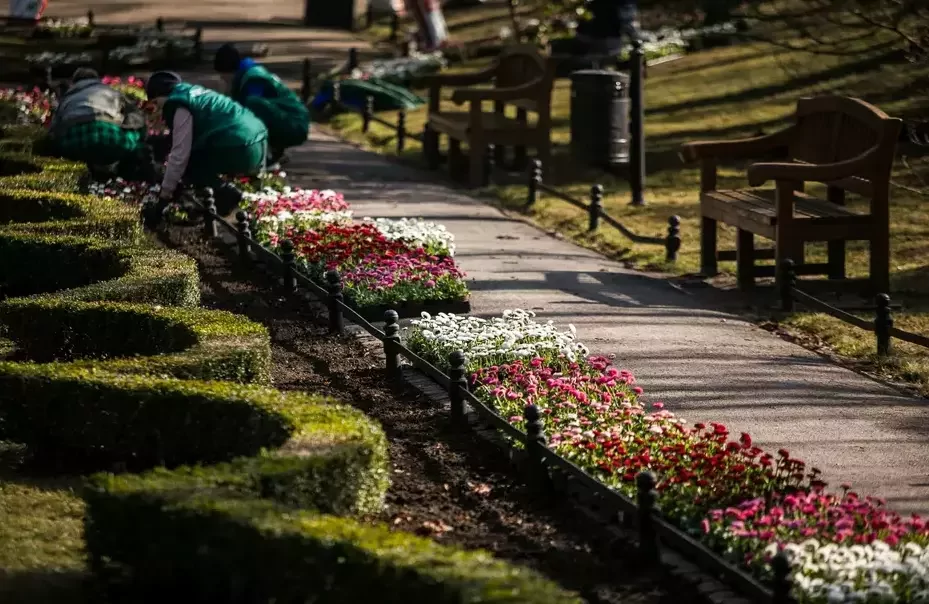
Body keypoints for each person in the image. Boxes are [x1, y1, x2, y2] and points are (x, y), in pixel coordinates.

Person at [143, 71, 268, 224]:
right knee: (195, 159)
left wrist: (164, 195)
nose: (157, 110)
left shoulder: (179, 105)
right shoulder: (192, 93)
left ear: (161, 95)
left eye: (155, 104)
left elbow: (180, 155)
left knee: (190, 163)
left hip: (240, 147)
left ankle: (225, 194)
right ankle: (216, 201)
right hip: (258, 141)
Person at [213, 43, 310, 164]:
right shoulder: (245, 76)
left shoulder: (254, 78)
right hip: (288, 121)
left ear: (230, 71)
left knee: (252, 105)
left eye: (223, 77)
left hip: (295, 124)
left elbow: (250, 115)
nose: (223, 80)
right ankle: (273, 152)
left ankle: (266, 153)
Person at [45, 67, 149, 179]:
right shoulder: (111, 92)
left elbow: (54, 129)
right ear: (97, 79)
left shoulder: (67, 98)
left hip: (74, 143)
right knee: (135, 137)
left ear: (74, 82)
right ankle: (132, 175)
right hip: (110, 139)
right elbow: (136, 118)